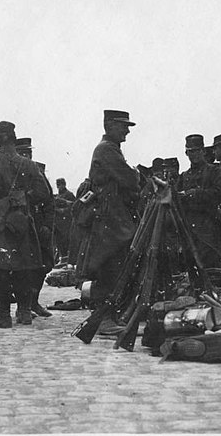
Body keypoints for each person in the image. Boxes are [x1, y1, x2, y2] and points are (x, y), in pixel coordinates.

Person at [0, 121, 51, 328]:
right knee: (24, 266)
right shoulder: (28, 164)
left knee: (0, 267)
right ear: (14, 138)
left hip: (0, 224)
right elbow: (43, 193)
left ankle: (3, 314)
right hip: (23, 222)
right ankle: (24, 312)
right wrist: (23, 199)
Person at [75, 110, 140, 335]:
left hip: (112, 219)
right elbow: (129, 179)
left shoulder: (110, 149)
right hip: (109, 221)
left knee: (113, 267)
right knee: (108, 268)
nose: (127, 131)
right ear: (110, 125)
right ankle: (103, 319)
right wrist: (136, 175)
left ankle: (106, 316)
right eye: (123, 126)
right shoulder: (107, 150)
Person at [16, 137, 55, 318]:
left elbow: (49, 201)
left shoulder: (37, 171)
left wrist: (47, 224)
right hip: (19, 227)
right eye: (22, 153)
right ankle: (22, 306)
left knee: (43, 265)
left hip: (38, 226)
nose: (27, 156)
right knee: (21, 268)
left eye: (29, 153)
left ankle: (34, 301)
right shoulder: (12, 172)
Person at [176, 134, 221, 269]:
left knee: (211, 270)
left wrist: (195, 194)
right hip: (189, 231)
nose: (193, 155)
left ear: (203, 151)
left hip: (208, 230)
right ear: (186, 153)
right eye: (190, 151)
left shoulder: (213, 171)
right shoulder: (184, 176)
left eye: (197, 151)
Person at [53, 177, 75, 263]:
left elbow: (74, 206)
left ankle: (66, 260)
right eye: (58, 185)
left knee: (66, 242)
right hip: (58, 224)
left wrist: (63, 211)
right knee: (59, 243)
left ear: (64, 184)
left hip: (66, 223)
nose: (59, 187)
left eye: (60, 185)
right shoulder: (58, 196)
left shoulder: (69, 194)